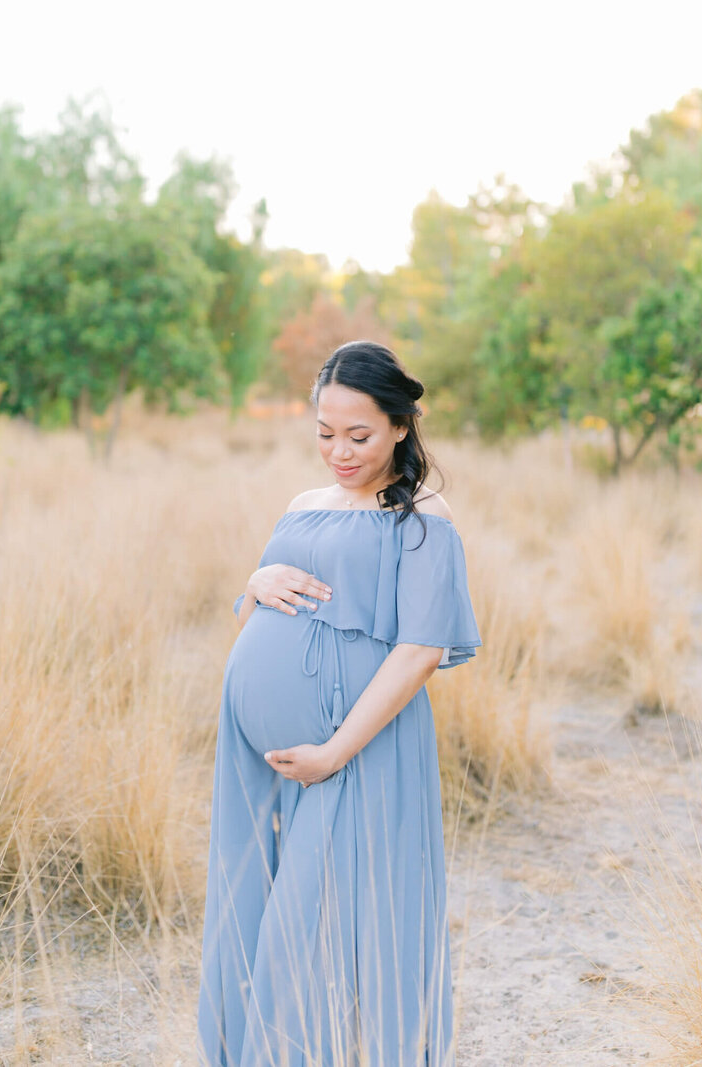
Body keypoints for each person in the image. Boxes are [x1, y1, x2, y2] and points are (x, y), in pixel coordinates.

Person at [197, 340, 482, 1067]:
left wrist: (332, 752)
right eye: (325, 434)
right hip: (259, 753)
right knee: (255, 906)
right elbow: (252, 620)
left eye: (358, 435)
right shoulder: (302, 505)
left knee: (329, 923)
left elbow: (419, 651)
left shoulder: (421, 515)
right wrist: (256, 583)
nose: (339, 452)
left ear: (398, 424)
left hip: (355, 750)